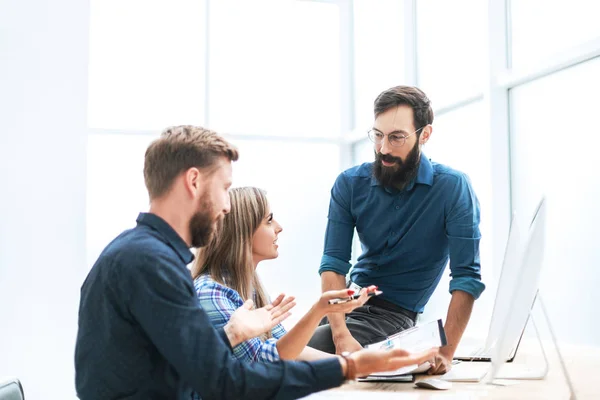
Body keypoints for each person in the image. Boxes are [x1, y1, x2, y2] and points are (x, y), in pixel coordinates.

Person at [74, 125, 438, 400]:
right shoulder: (151, 265)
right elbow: (225, 382)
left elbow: (166, 368)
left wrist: (231, 334)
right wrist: (347, 367)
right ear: (194, 181)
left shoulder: (138, 253)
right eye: (225, 188)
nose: (228, 206)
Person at [308, 86, 485, 375]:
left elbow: (466, 278)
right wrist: (341, 335)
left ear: (424, 135)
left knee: (287, 358)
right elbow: (332, 264)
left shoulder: (452, 188)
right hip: (342, 310)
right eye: (377, 135)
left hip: (393, 319)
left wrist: (447, 351)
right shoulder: (349, 184)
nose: (384, 149)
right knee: (280, 348)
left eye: (396, 137)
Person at [191, 186, 377, 364]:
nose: (279, 227)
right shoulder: (211, 292)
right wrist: (319, 310)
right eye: (269, 220)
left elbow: (286, 346)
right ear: (243, 231)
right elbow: (263, 359)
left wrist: (354, 364)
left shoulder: (249, 286)